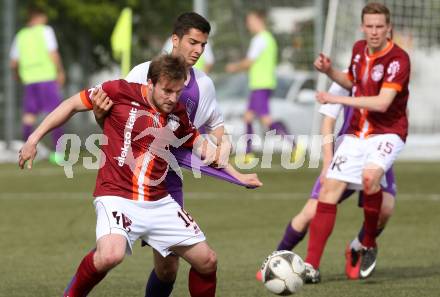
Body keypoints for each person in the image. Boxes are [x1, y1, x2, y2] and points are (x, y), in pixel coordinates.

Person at [19, 54, 256, 297]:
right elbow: (71, 104)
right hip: (116, 196)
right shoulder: (119, 90)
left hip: (158, 201)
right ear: (151, 83)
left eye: (178, 92)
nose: (172, 98)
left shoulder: (178, 112)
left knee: (207, 261)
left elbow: (201, 147)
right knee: (110, 255)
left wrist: (238, 175)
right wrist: (33, 139)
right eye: (167, 91)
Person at [91, 12, 262, 297]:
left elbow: (216, 126)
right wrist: (99, 116)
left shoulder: (204, 84)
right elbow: (114, 122)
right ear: (175, 40)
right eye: (193, 42)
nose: (198, 50)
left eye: (203, 45)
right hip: (130, 179)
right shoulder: (142, 73)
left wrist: (223, 146)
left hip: (168, 182)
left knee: (168, 268)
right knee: (113, 251)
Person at [303, 2, 410, 283]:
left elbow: (382, 102)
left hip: (387, 132)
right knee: (328, 190)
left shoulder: (399, 59)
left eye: (380, 27)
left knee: (370, 177)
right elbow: (351, 81)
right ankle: (311, 266)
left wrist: (336, 98)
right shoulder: (358, 50)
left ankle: (367, 243)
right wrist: (329, 72)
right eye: (370, 26)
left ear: (389, 28)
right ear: (363, 27)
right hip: (356, 133)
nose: (374, 32)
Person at [260, 82, 396, 282]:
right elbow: (328, 122)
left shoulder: (390, 78)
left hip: (377, 152)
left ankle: (356, 249)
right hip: (347, 150)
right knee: (309, 212)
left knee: (385, 210)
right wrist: (327, 162)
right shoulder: (345, 78)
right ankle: (275, 260)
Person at [10, 5, 65, 160]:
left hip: (29, 81)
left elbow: (13, 63)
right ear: (38, 17)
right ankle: (58, 153)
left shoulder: (20, 35)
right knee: (57, 114)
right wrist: (60, 71)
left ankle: (25, 152)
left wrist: (17, 75)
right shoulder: (45, 31)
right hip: (46, 78)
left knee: (29, 116)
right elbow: (53, 53)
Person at [225, 9, 280, 161]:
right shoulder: (269, 38)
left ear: (258, 20)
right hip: (263, 83)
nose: (248, 26)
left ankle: (295, 146)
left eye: (250, 22)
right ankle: (248, 153)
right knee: (248, 117)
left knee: (266, 120)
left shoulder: (260, 39)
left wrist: (234, 67)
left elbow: (249, 62)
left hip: (261, 84)